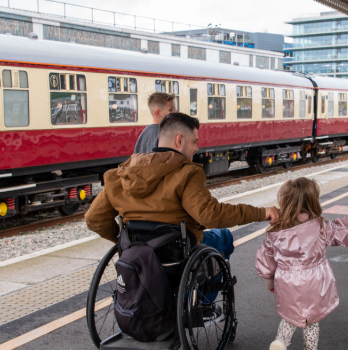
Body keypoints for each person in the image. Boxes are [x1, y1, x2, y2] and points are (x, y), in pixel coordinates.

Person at [86, 112, 280, 264]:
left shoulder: (120, 176)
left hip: (136, 252)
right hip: (179, 254)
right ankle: (205, 302)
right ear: (179, 140)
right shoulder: (187, 173)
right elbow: (211, 215)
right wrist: (261, 212)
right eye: (194, 141)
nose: (197, 148)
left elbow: (94, 218)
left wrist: (125, 242)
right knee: (224, 237)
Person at [255, 177, 348, 350]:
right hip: (314, 282)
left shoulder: (277, 229)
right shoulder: (321, 226)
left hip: (287, 282)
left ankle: (280, 341)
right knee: (311, 322)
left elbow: (266, 256)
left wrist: (269, 280)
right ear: (313, 201)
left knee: (290, 317)